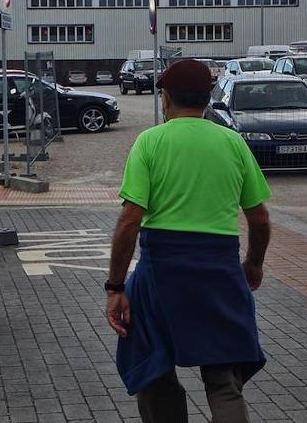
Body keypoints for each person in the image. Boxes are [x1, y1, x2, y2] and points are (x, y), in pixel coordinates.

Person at [104, 58, 272, 423]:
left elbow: (130, 220)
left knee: (153, 372)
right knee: (224, 381)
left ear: (165, 97)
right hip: (220, 273)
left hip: (161, 275)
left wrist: (116, 286)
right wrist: (253, 263)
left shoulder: (149, 142)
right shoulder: (232, 143)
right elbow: (259, 218)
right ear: (208, 97)